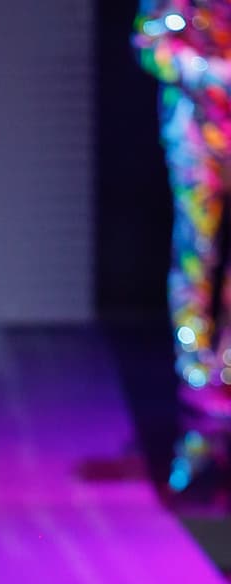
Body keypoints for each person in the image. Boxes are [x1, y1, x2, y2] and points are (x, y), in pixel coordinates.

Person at [134, 1, 231, 417]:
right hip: (194, 128)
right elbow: (147, 42)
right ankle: (194, 369)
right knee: (197, 249)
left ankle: (228, 365)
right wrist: (207, 72)